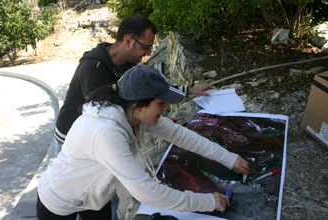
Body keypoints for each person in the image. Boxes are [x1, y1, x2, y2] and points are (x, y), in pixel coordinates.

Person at [37, 65, 250, 220]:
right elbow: (147, 192)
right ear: (139, 106)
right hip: (59, 201)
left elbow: (180, 135)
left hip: (95, 199)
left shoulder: (134, 114)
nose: (166, 108)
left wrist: (228, 158)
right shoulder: (105, 133)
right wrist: (208, 201)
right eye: (161, 103)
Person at [54, 14, 213, 154]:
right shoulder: (92, 68)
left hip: (97, 135)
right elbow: (106, 113)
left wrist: (191, 90)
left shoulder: (128, 63)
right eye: (146, 47)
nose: (149, 54)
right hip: (71, 138)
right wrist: (156, 120)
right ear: (129, 40)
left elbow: (153, 87)